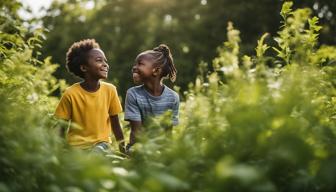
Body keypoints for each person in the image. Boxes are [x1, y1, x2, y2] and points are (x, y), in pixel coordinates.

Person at [54, 39, 125, 153]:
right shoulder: (70, 93)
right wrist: (60, 153)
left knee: (97, 152)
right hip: (75, 147)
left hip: (102, 145)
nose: (105, 64)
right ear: (84, 68)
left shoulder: (110, 90)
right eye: (99, 60)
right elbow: (61, 127)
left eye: (105, 61)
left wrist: (123, 151)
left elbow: (116, 125)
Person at [124, 44, 179, 151]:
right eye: (135, 64)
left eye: (140, 64)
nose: (134, 67)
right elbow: (136, 133)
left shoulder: (173, 97)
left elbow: (168, 133)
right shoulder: (133, 94)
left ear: (156, 71)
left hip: (162, 147)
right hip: (139, 145)